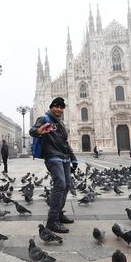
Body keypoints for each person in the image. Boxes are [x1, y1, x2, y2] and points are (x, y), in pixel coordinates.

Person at [29, 97, 77, 234]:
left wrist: (73, 158)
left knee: (67, 185)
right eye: (56, 106)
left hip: (65, 158)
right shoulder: (44, 119)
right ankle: (52, 220)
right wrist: (39, 131)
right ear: (51, 107)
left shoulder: (60, 123)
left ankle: (59, 213)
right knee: (60, 184)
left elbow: (65, 143)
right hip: (52, 156)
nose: (59, 109)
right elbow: (32, 131)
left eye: (62, 107)